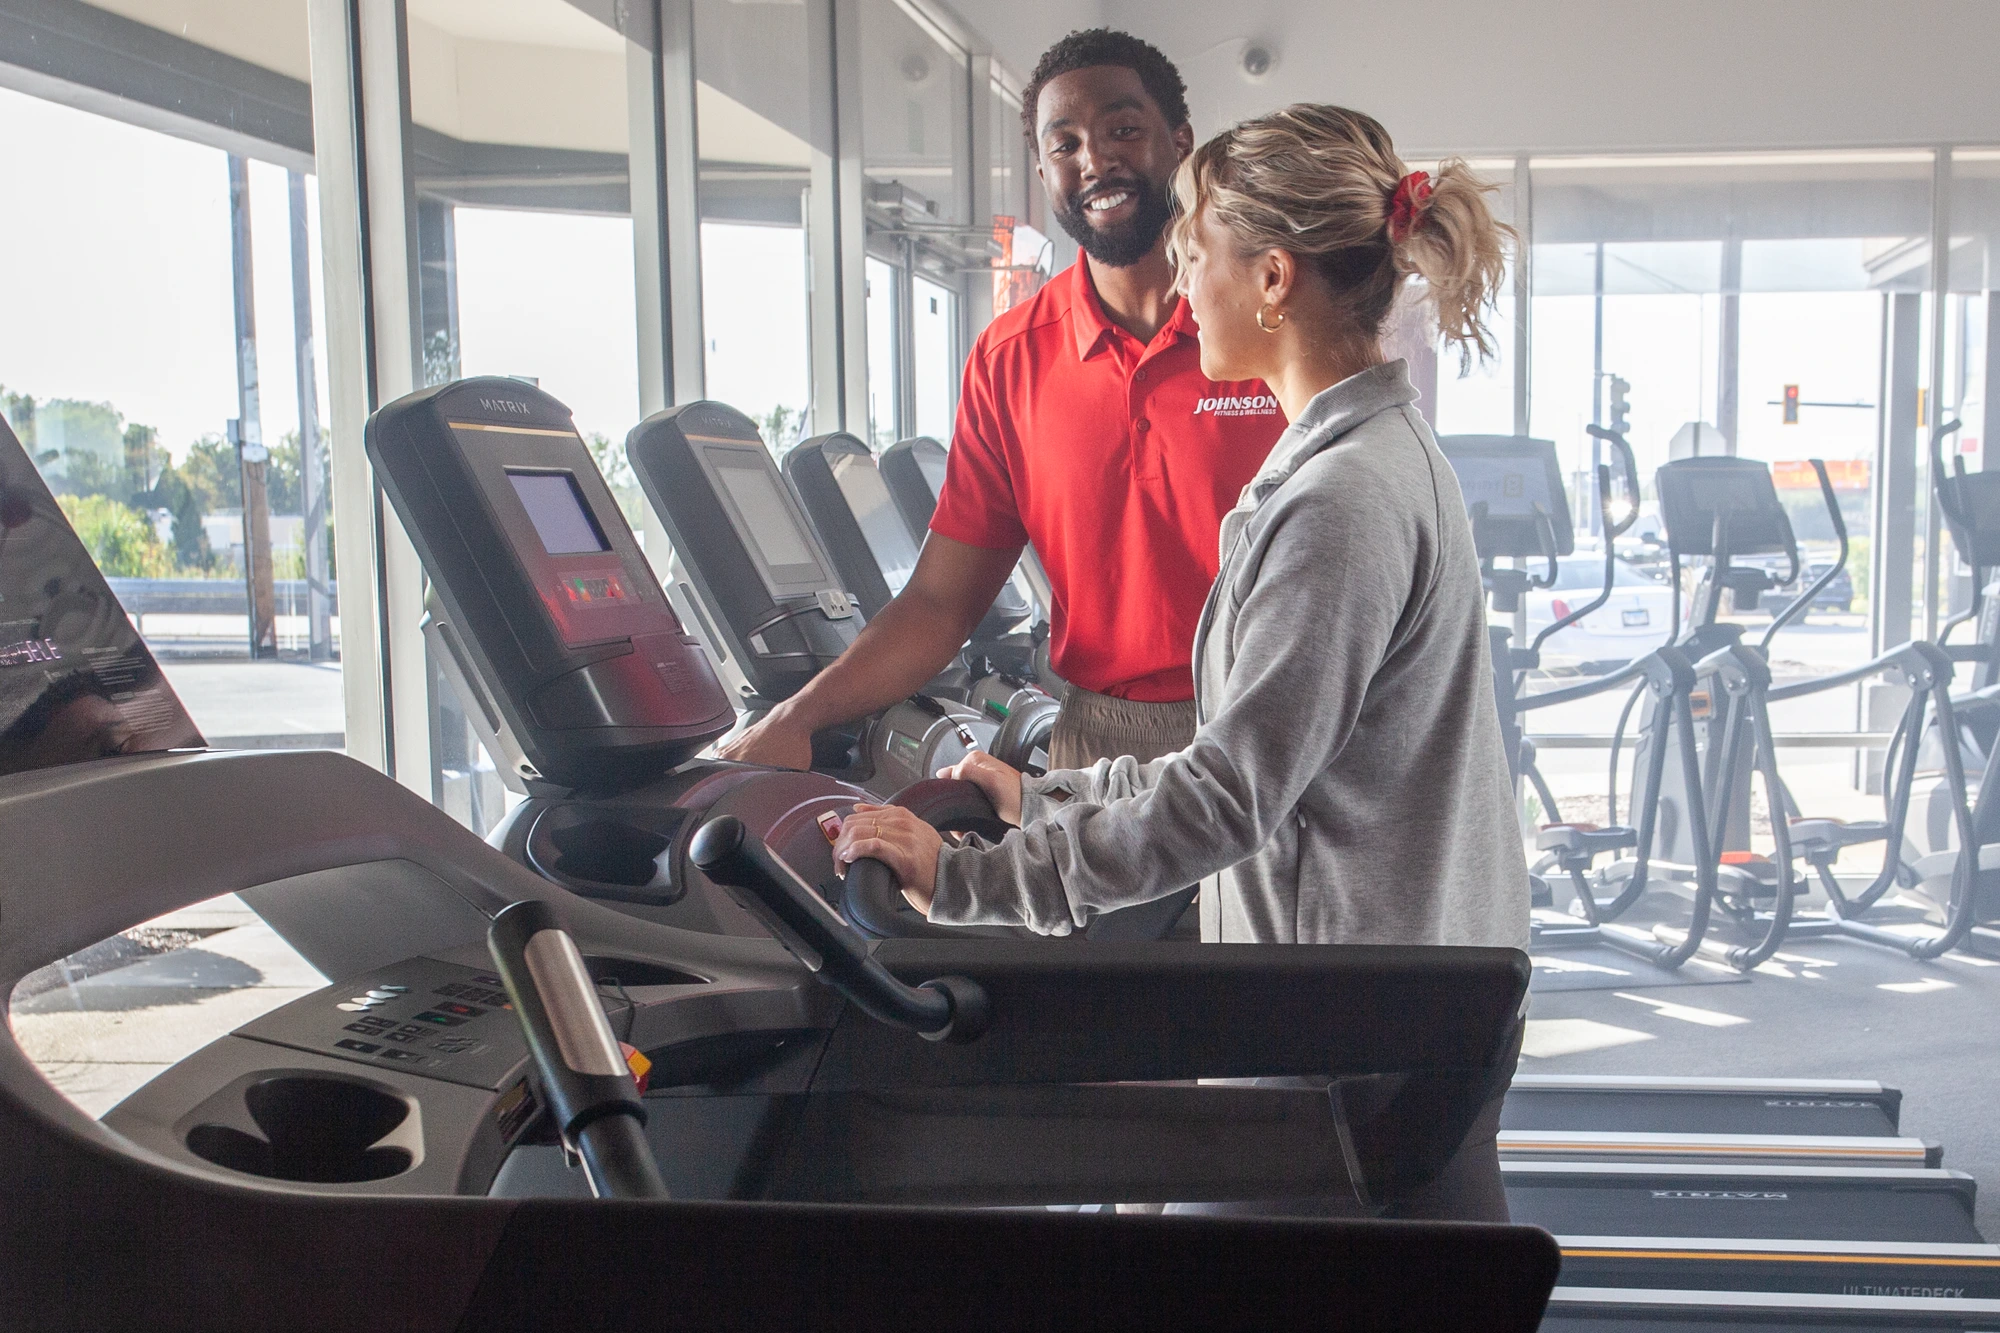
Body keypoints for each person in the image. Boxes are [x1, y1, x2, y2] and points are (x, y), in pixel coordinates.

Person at [831, 104, 1531, 1220]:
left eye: (1194, 247)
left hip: (1351, 1049)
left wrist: (964, 884)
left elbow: (1227, 794)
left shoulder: (1341, 499)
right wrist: (1048, 794)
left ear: (1271, 279)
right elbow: (1253, 756)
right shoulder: (1358, 456)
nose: (1178, 275)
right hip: (1383, 1015)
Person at [722, 29, 1284, 787]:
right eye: (1066, 145)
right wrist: (799, 715)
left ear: (1179, 140)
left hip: (1269, 726)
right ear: (1045, 169)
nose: (1096, 160)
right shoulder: (1010, 357)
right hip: (1100, 745)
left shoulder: (1266, 316)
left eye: (1123, 129)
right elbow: (938, 603)